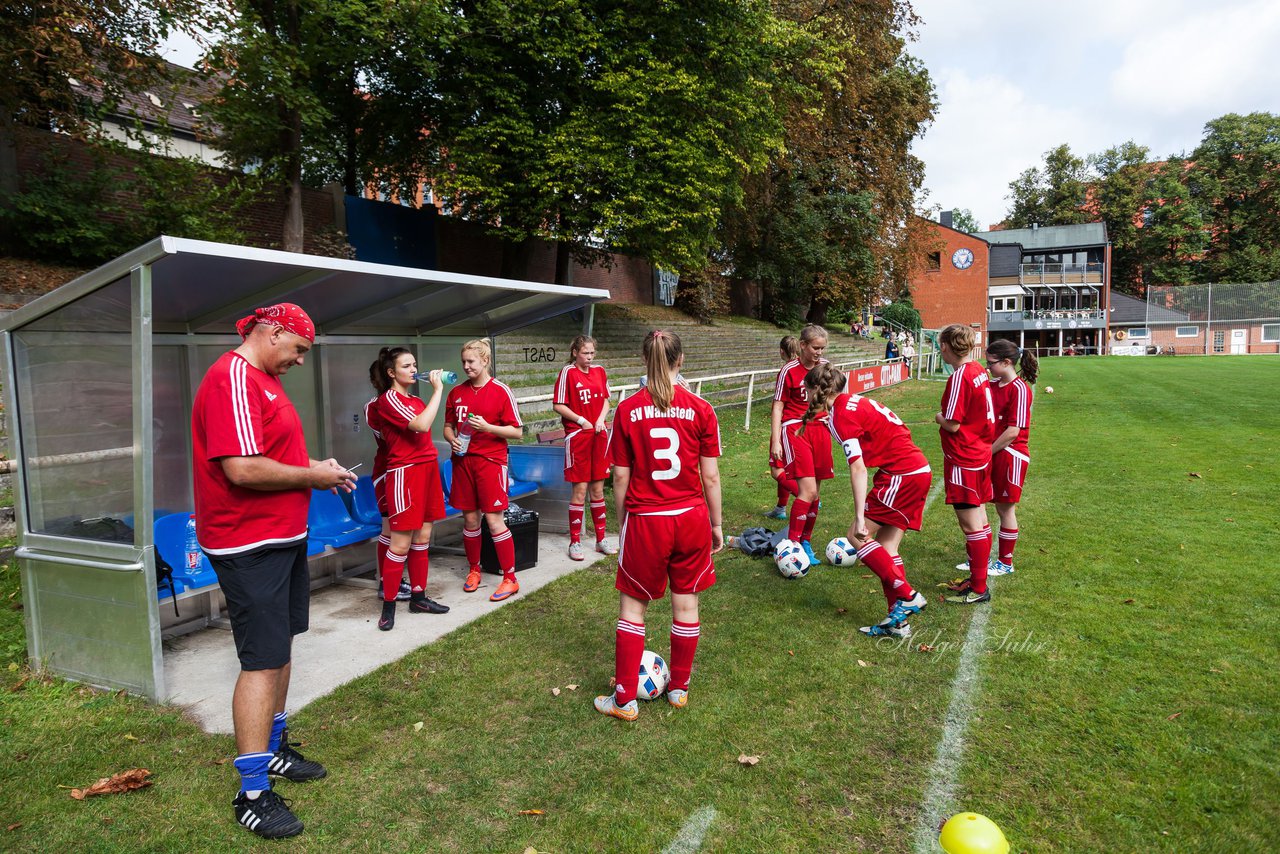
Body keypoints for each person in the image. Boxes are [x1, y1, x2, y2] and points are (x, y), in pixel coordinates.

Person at [191, 303, 356, 839]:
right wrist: (312, 477)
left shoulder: (260, 378)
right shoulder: (232, 377)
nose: (301, 361)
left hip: (280, 537)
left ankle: (275, 747)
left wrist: (318, 470)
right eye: (299, 350)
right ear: (274, 332)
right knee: (262, 660)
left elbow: (272, 454)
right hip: (249, 543)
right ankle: (253, 792)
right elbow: (242, 468)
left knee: (281, 644)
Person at [594, 329, 723, 721]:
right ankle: (679, 689)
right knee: (686, 601)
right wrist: (717, 524)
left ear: (643, 360)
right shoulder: (702, 408)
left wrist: (623, 522)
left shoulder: (627, 409)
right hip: (690, 517)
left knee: (633, 607)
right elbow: (711, 477)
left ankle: (623, 700)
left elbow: (619, 476)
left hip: (646, 519)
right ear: (680, 360)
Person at [804, 363, 931, 638]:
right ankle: (898, 622)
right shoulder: (852, 402)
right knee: (887, 546)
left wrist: (861, 516)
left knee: (856, 535)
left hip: (902, 474)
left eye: (807, 390)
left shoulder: (840, 416)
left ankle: (907, 595)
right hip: (915, 469)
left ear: (817, 389)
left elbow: (858, 468)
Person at [369, 348, 451, 630]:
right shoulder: (389, 399)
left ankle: (418, 597)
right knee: (400, 542)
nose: (414, 370)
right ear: (392, 373)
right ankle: (388, 606)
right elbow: (421, 424)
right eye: (407, 366)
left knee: (423, 537)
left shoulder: (414, 399)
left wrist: (431, 395)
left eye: (415, 364)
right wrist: (438, 390)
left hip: (427, 470)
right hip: (405, 473)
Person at [443, 339, 524, 602]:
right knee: (469, 519)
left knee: (493, 519)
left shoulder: (501, 391)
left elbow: (518, 432)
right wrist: (450, 438)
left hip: (490, 463)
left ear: (485, 361)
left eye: (471, 362)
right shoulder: (456, 393)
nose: (466, 366)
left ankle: (510, 578)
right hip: (462, 462)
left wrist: (488, 427)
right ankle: (474, 570)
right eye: (463, 362)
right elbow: (447, 426)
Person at [934, 324, 996, 605]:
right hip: (980, 454)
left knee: (971, 524)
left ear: (946, 346)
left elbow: (954, 424)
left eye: (940, 344)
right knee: (980, 519)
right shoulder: (979, 371)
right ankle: (976, 578)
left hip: (965, 457)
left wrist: (938, 418)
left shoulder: (960, 376)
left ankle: (979, 588)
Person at [771, 325, 833, 566]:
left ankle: (805, 541)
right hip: (796, 429)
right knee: (806, 491)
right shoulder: (788, 370)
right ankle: (793, 545)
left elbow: (833, 397)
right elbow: (778, 405)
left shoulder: (826, 367)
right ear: (803, 345)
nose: (819, 352)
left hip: (821, 429)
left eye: (822, 348)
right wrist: (776, 439)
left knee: (815, 492)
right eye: (815, 348)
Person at [551, 335, 617, 561]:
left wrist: (600, 419)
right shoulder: (567, 373)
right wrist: (581, 420)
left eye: (592, 353)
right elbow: (558, 404)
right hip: (579, 437)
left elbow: (607, 399)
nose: (589, 357)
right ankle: (575, 542)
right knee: (580, 490)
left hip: (598, 436)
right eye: (585, 353)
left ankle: (601, 539)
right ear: (575, 353)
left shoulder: (600, 371)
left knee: (597, 490)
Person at [983, 339, 1037, 576]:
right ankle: (979, 557)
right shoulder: (993, 385)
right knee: (983, 505)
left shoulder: (1019, 389)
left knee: (1005, 510)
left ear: (1007, 362)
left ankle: (1005, 562)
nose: (988, 367)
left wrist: (986, 452)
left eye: (991, 363)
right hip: (993, 452)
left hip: (1010, 455)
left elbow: (1013, 431)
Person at [764, 335, 801, 521]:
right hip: (805, 427)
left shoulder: (787, 370)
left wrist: (776, 437)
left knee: (776, 470)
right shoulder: (806, 367)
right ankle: (780, 508)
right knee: (786, 468)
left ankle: (806, 497)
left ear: (781, 351)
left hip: (787, 426)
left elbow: (778, 404)